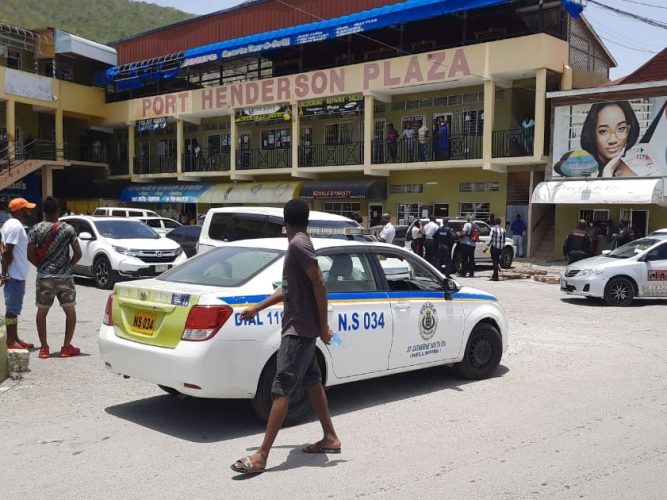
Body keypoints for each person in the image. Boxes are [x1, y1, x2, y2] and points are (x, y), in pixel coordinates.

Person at [231, 199, 339, 475]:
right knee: (312, 383)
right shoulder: (302, 242)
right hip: (302, 328)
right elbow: (290, 289)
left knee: (281, 389)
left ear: (284, 222)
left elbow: (318, 282)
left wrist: (323, 325)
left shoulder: (297, 245)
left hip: (298, 330)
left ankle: (262, 455)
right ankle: (330, 437)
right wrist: (258, 307)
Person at [27, 196, 82, 359]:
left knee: (42, 311)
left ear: (44, 212)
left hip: (45, 277)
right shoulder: (68, 229)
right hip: (64, 276)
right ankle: (66, 347)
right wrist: (68, 265)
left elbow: (29, 255)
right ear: (58, 210)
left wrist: (41, 267)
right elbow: (78, 253)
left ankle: (44, 348)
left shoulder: (35, 229)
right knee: (70, 310)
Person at [1, 198, 36, 351]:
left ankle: (15, 338)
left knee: (14, 309)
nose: (30, 210)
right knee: (12, 310)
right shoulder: (16, 226)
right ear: (20, 211)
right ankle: (10, 341)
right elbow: (8, 252)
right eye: (27, 208)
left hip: (15, 273)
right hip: (14, 275)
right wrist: (4, 273)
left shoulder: (9, 224)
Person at [580, 101, 640, 178]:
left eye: (621, 129)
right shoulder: (581, 168)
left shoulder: (630, 178)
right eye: (603, 131)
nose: (613, 140)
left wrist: (608, 171)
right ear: (592, 133)